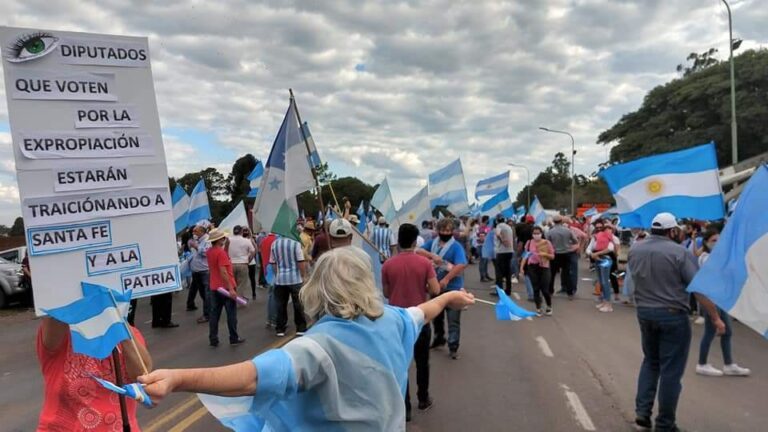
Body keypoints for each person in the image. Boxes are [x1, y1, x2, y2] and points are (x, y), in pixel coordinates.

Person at [138, 247, 475, 430]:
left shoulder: (315, 347)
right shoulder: (394, 319)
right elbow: (424, 310)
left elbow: (250, 378)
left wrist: (179, 378)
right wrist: (450, 298)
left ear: (317, 289)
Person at [628, 212, 724, 432]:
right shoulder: (679, 252)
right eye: (678, 230)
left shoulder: (635, 249)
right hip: (672, 315)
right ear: (672, 231)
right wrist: (715, 316)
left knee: (650, 362)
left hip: (645, 313)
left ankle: (642, 414)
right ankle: (665, 423)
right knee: (671, 371)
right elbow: (697, 288)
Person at [37, 317, 152, 431]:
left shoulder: (128, 333)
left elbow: (142, 376)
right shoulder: (61, 333)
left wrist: (117, 321)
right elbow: (56, 311)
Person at [382, 223, 441, 421]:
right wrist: (422, 285)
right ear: (415, 242)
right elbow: (435, 290)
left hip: (396, 321)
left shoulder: (388, 264)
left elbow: (386, 293)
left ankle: (404, 407)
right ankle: (423, 398)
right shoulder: (425, 263)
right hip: (420, 318)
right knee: (422, 362)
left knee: (401, 365)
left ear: (398, 240)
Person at [695, 229, 750, 377]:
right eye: (713, 240)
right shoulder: (705, 258)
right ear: (706, 242)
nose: (717, 243)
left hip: (720, 298)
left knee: (727, 331)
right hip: (710, 299)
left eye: (719, 240)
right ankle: (702, 364)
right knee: (710, 332)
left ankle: (729, 364)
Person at [417, 218, 468, 359]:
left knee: (453, 319)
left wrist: (446, 279)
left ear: (452, 231)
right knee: (436, 317)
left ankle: (453, 346)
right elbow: (418, 251)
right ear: (438, 230)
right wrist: (432, 256)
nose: (446, 233)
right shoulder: (433, 243)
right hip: (436, 287)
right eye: (443, 230)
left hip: (453, 288)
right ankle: (439, 339)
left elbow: (461, 265)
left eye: (448, 230)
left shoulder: (456, 246)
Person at [206, 229, 245, 347]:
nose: (224, 239)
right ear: (219, 240)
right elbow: (223, 271)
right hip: (226, 288)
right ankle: (233, 338)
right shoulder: (221, 253)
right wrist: (231, 288)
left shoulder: (209, 252)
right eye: (223, 238)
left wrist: (226, 246)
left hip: (215, 287)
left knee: (214, 314)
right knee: (231, 314)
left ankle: (213, 339)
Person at [270, 234, 308, 337]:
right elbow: (300, 261)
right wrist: (303, 276)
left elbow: (273, 263)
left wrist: (277, 274)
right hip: (295, 279)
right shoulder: (295, 244)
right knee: (298, 304)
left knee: (280, 305)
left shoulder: (274, 244)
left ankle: (280, 329)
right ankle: (300, 328)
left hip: (280, 280)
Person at [519, 226, 555, 316]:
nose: (536, 235)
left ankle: (549, 306)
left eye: (538, 233)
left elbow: (552, 256)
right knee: (536, 289)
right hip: (532, 267)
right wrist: (521, 268)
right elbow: (525, 256)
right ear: (532, 234)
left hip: (544, 267)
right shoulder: (529, 243)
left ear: (541, 234)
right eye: (534, 233)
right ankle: (538, 308)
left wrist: (545, 254)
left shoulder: (546, 243)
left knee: (545, 289)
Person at [546, 215, 579, 299]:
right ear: (561, 221)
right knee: (567, 273)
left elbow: (547, 243)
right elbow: (575, 241)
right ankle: (570, 293)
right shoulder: (568, 230)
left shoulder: (550, 232)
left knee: (552, 274)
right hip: (566, 253)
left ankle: (550, 291)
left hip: (555, 254)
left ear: (553, 222)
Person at [187, 223, 212, 324]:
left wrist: (196, 247)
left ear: (202, 232)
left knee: (207, 294)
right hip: (196, 271)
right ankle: (210, 310)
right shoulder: (197, 241)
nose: (193, 233)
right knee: (203, 294)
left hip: (205, 271)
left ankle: (207, 315)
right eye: (193, 231)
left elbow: (206, 253)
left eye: (195, 231)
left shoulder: (207, 240)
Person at [227, 225, 256, 299]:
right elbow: (253, 251)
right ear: (241, 232)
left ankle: (233, 299)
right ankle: (238, 299)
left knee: (233, 283)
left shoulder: (228, 240)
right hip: (243, 264)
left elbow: (225, 251)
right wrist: (248, 261)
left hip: (231, 264)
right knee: (241, 284)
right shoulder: (246, 240)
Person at [260, 232, 278, 328]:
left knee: (271, 295)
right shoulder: (276, 240)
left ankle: (269, 319)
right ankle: (274, 320)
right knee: (275, 296)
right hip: (274, 270)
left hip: (267, 270)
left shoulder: (264, 240)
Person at [493, 217, 516, 296]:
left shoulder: (499, 226)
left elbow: (497, 234)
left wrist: (503, 240)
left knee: (499, 272)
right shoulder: (509, 227)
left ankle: (499, 291)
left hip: (501, 251)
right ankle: (508, 290)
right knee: (507, 271)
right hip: (510, 251)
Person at [242, 227, 259, 299]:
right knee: (251, 279)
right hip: (249, 262)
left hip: (245, 262)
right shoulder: (250, 240)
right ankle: (253, 293)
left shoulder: (243, 240)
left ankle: (250, 293)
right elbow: (256, 249)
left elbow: (256, 249)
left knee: (245, 279)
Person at [478, 216, 493, 282]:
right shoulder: (481, 227)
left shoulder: (487, 227)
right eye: (488, 219)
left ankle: (486, 275)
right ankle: (482, 276)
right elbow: (481, 237)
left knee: (486, 262)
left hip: (486, 246)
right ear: (486, 220)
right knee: (482, 262)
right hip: (481, 246)